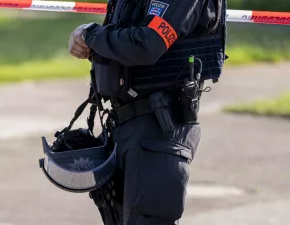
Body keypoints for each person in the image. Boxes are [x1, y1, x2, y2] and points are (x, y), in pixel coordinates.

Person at [67, 0, 228, 224]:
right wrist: (91, 39)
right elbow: (124, 37)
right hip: (125, 125)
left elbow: (147, 46)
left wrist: (90, 35)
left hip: (159, 129)